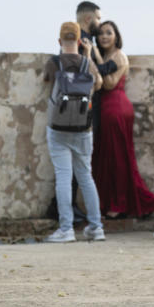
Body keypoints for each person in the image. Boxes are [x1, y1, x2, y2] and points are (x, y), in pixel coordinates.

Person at [89, 21, 154, 218]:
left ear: (116, 36)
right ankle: (111, 202)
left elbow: (110, 84)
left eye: (108, 33)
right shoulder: (106, 57)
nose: (104, 36)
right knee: (108, 157)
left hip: (116, 108)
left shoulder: (119, 56)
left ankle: (121, 204)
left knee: (119, 158)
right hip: (107, 109)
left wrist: (94, 55)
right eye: (101, 33)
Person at [42, 21, 106, 242]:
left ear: (60, 41)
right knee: (86, 176)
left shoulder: (53, 63)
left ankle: (66, 229)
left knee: (63, 177)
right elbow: (98, 83)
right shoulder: (87, 64)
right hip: (83, 127)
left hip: (58, 127)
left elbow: (46, 81)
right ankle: (96, 227)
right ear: (79, 41)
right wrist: (87, 56)